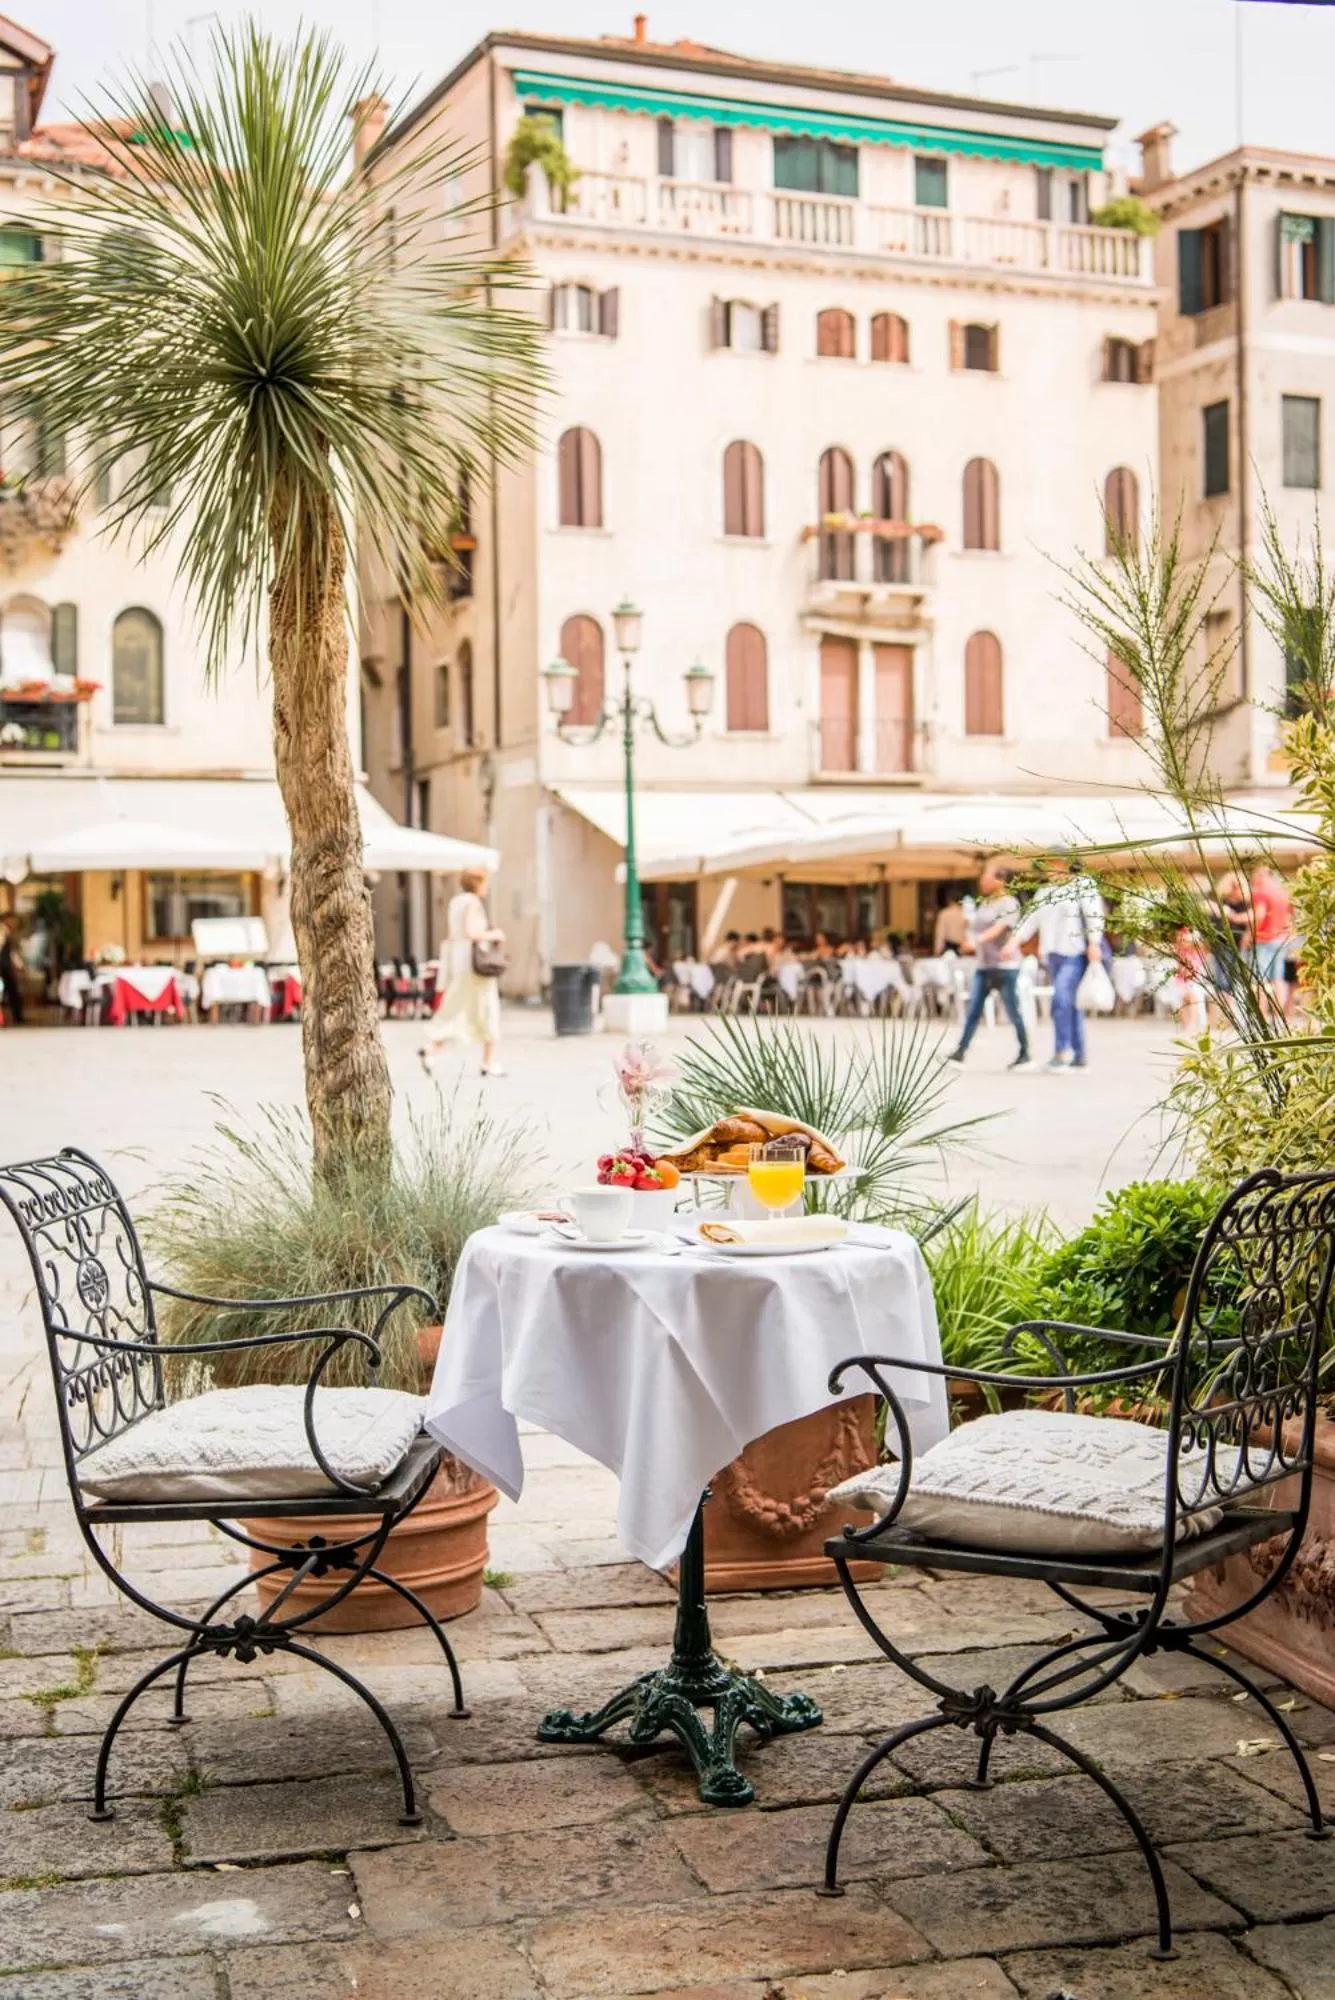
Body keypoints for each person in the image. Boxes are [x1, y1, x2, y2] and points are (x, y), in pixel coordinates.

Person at [1014, 863, 1105, 1072]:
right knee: (1071, 1005)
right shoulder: (1045, 891)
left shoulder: (1083, 885)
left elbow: (1094, 915)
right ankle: (1079, 1055)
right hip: (1052, 955)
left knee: (1061, 1000)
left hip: (1075, 952)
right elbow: (1031, 920)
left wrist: (1094, 942)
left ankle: (1062, 1051)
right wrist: (1014, 942)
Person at [419, 868, 505, 1077]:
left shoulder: (455, 902)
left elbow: (452, 935)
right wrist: (494, 934)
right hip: (476, 965)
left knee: (458, 1009)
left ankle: (432, 1049)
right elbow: (471, 932)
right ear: (478, 883)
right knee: (488, 1008)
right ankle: (487, 1061)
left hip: (460, 964)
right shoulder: (472, 903)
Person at [945, 862, 1031, 1070]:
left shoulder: (1009, 903)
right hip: (984, 965)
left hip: (1005, 967)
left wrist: (977, 940)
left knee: (1012, 1010)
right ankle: (960, 1052)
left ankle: (1025, 1052)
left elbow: (999, 929)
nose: (982, 880)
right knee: (974, 1009)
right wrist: (968, 934)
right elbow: (974, 929)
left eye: (986, 876)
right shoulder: (985, 904)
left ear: (1000, 880)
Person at [1250, 864, 1294, 1008]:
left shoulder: (1261, 892)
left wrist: (1250, 935)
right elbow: (1289, 918)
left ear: (1261, 876)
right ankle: (1278, 1015)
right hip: (1280, 939)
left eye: (1256, 875)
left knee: (1260, 979)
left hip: (1263, 939)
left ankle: (1262, 1013)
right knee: (1278, 979)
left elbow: (1259, 915)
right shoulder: (1282, 893)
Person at [0, 913, 24, 1025]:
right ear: (7, 920)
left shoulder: (7, 932)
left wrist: (19, 964)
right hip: (2, 966)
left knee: (12, 989)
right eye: (13, 920)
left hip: (5, 965)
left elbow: (11, 952)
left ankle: (17, 1016)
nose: (15, 924)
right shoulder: (2, 931)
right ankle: (17, 1016)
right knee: (11, 989)